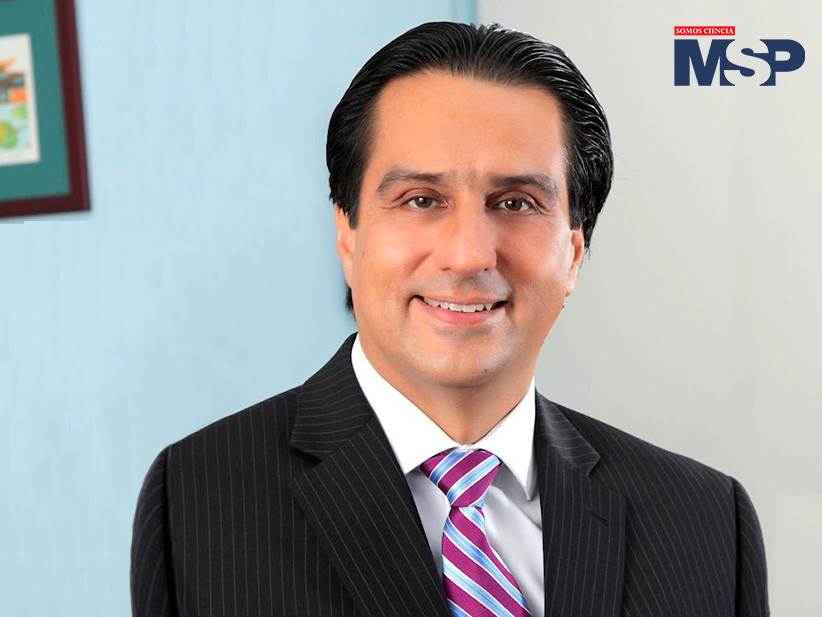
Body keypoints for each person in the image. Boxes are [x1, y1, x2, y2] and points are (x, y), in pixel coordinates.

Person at [130, 21, 769, 617]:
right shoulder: (197, 500)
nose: (467, 255)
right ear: (348, 234)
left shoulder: (706, 523)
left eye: (516, 202)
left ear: (574, 253)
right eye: (421, 200)